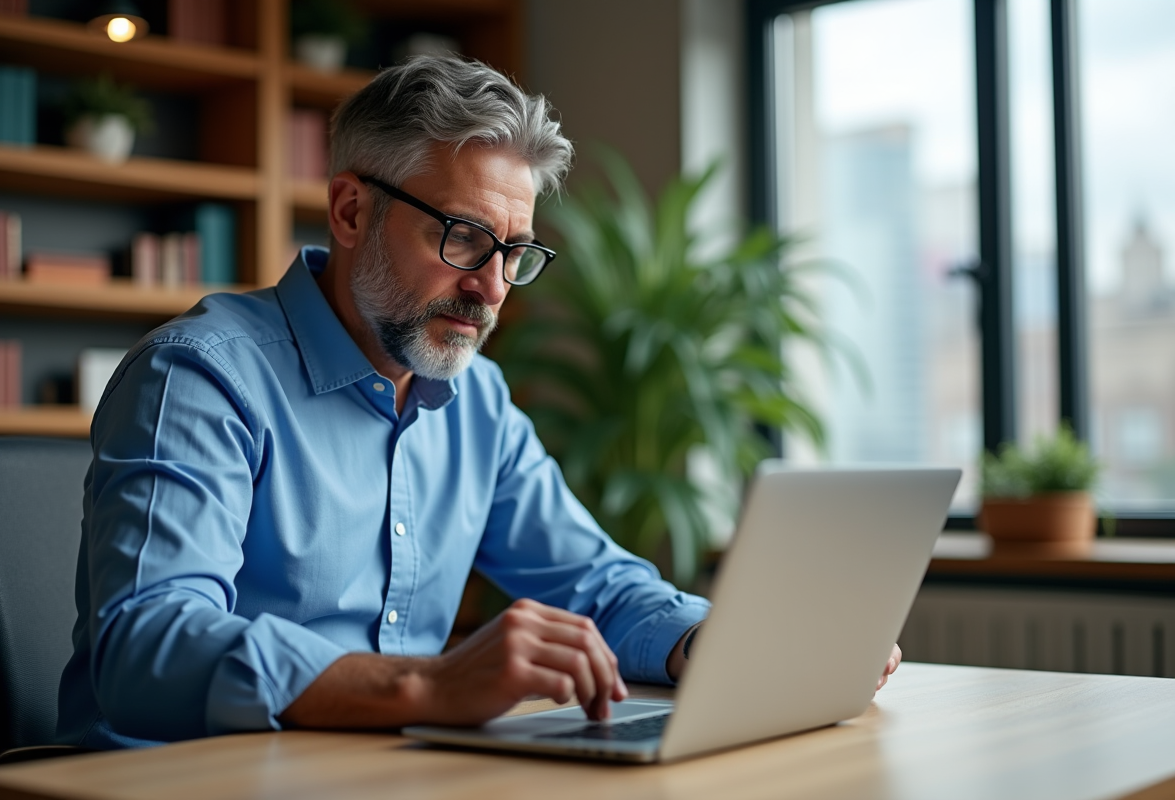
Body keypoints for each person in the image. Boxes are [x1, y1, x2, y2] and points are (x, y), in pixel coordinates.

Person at [57, 55, 900, 750]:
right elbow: (146, 650)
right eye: (462, 237)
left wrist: (719, 644)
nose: (491, 287)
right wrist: (430, 683)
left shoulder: (476, 402)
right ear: (351, 210)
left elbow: (594, 586)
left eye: (517, 252)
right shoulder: (201, 377)